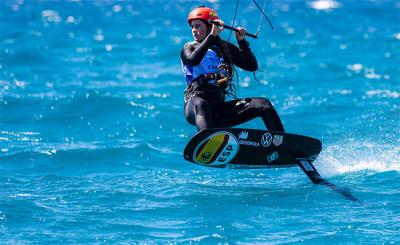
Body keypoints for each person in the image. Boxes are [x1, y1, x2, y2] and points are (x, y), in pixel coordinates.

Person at [181, 6, 284, 132]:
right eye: (192, 27)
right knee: (200, 104)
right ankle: (207, 143)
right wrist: (212, 36)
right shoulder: (189, 48)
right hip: (195, 107)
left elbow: (251, 66)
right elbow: (193, 60)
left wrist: (241, 42)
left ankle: (282, 143)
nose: (194, 30)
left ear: (209, 26)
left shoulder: (224, 48)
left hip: (219, 109)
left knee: (263, 105)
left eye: (197, 26)